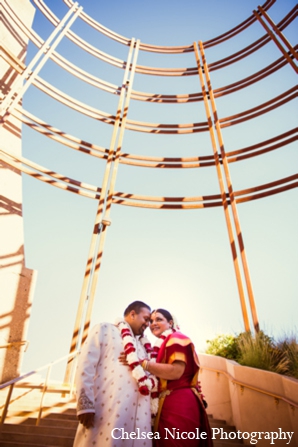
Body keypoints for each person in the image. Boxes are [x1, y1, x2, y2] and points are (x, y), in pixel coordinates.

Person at [73, 301, 155, 447]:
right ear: (132, 314)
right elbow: (85, 365)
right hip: (107, 411)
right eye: (146, 319)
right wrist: (85, 404)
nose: (148, 324)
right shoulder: (105, 329)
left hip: (139, 420)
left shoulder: (145, 346)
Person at [142, 309, 213, 447]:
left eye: (158, 319)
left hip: (179, 402)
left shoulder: (176, 338)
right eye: (151, 321)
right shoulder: (163, 343)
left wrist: (143, 364)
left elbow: (176, 372)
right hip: (167, 403)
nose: (153, 323)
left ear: (170, 323)